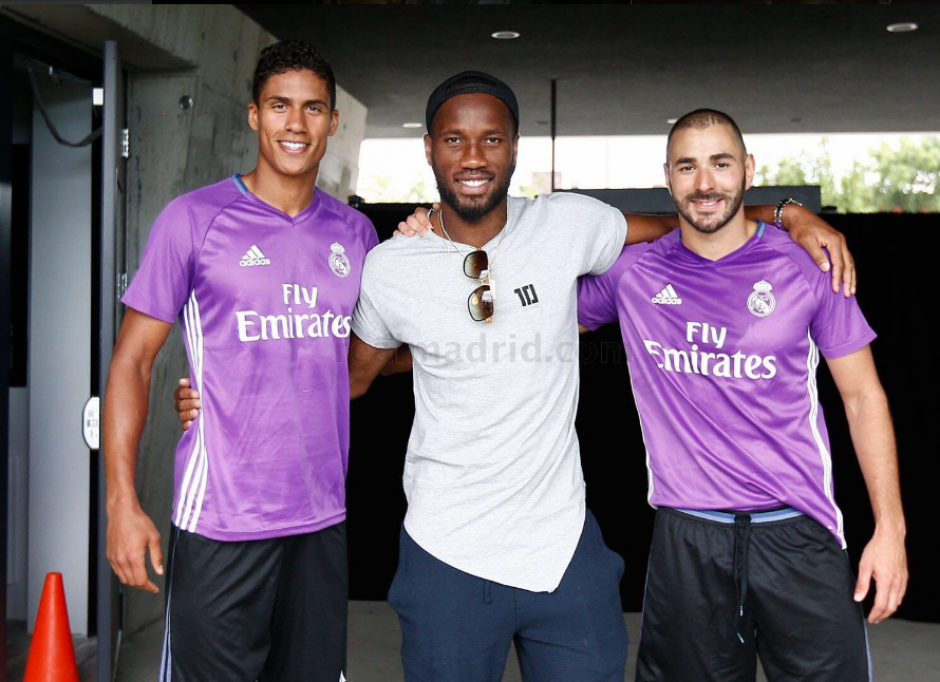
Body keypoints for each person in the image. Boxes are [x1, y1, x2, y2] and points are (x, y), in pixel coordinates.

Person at [576, 109, 908, 682]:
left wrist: (891, 529)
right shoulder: (632, 273)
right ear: (668, 178)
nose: (705, 183)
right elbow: (524, 316)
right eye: (688, 166)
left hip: (799, 533)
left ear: (748, 170)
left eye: (721, 164)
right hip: (687, 538)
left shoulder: (806, 264)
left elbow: (863, 398)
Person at [102, 40, 378, 682]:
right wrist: (121, 501)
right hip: (222, 520)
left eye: (314, 108)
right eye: (280, 106)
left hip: (320, 519)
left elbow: (359, 364)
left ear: (334, 121)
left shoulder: (355, 235)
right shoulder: (192, 220)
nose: (297, 124)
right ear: (254, 115)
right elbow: (132, 361)